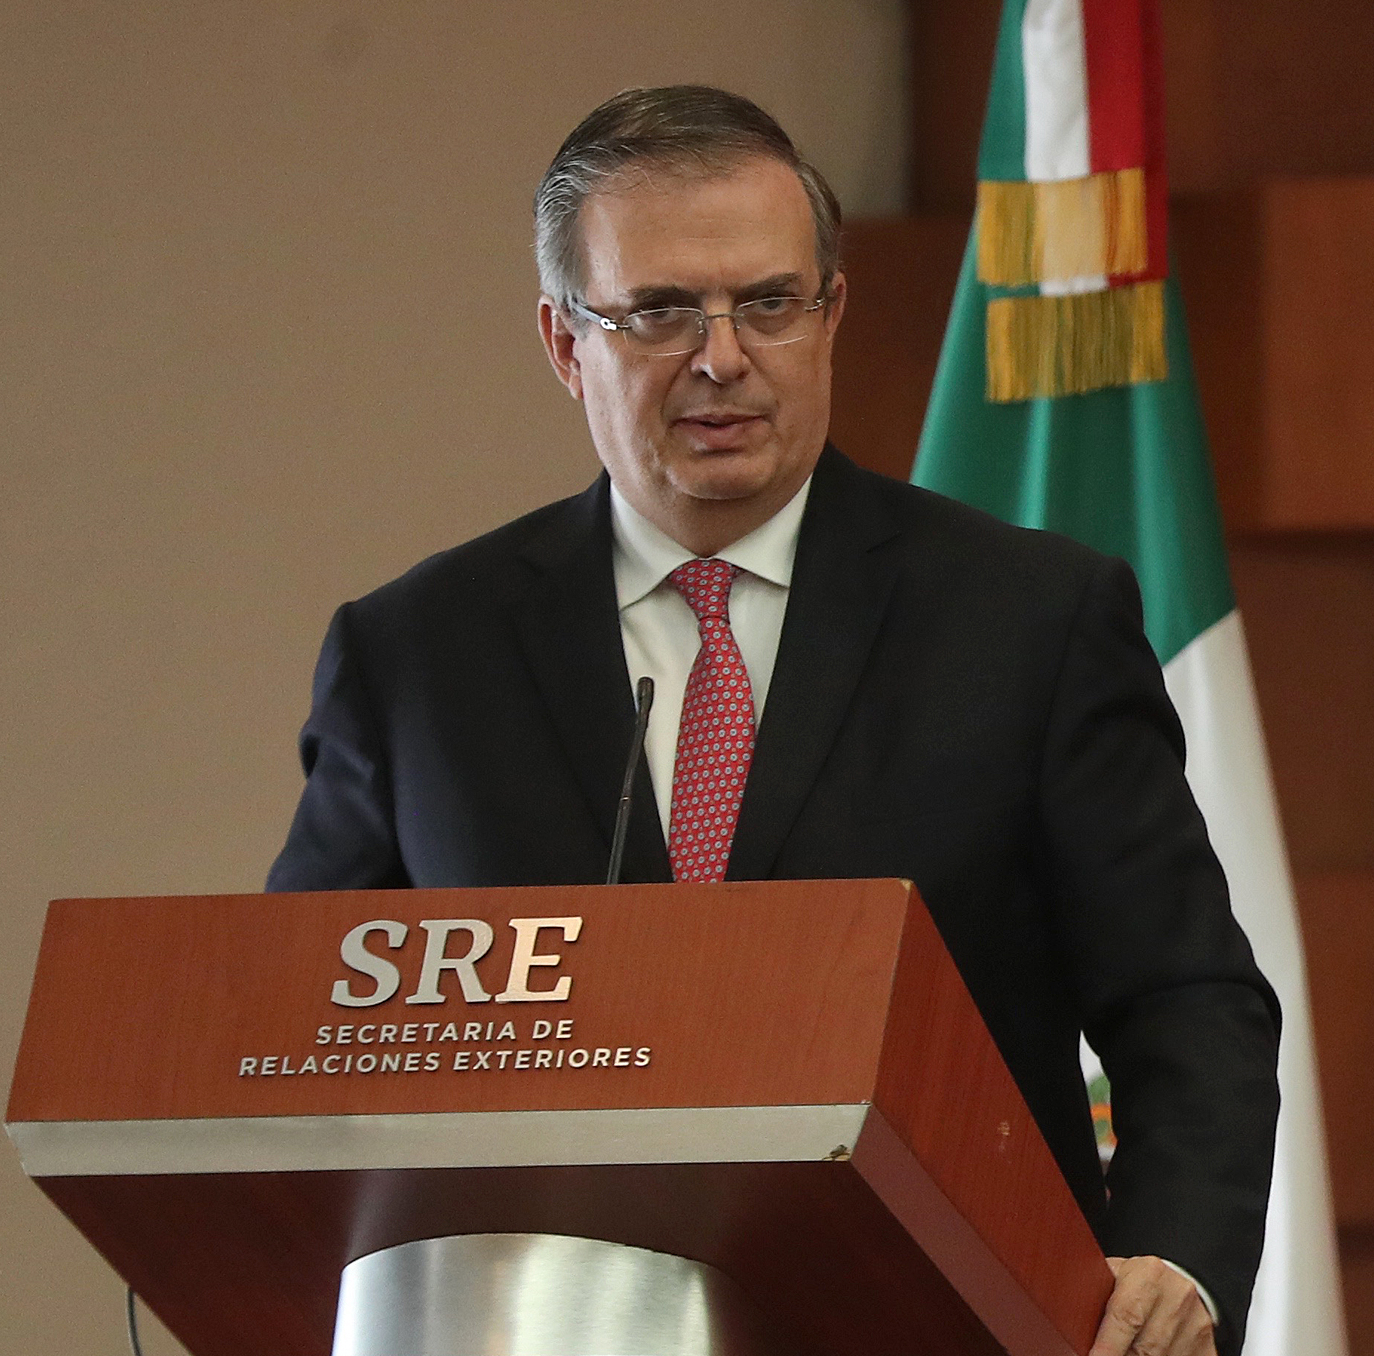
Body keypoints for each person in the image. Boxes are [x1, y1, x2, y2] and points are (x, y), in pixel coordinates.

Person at [268, 86, 1279, 1356]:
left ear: (832, 312)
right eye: (658, 312)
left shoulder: (1029, 620)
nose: (723, 358)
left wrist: (1177, 1258)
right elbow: (303, 1025)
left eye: (769, 303)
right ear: (564, 342)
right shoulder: (419, 655)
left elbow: (1186, 994)